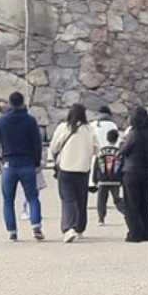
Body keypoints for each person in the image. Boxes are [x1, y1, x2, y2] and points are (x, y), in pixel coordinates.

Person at [0, 91, 45, 242]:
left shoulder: (1, 121)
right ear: (22, 103)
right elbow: (37, 143)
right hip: (27, 163)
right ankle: (36, 225)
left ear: (9, 103)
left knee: (8, 200)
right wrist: (37, 162)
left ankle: (12, 231)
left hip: (9, 164)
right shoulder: (30, 121)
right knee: (32, 197)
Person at [49, 103, 98, 243]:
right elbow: (96, 149)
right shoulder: (89, 129)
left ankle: (69, 228)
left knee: (68, 199)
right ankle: (80, 227)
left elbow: (54, 147)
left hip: (66, 168)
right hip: (83, 169)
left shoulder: (63, 127)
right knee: (82, 200)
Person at [119, 106, 148, 242]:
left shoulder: (134, 133)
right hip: (146, 170)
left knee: (132, 204)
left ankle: (135, 233)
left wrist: (122, 143)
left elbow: (124, 150)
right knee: (146, 203)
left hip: (132, 170)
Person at [93, 127, 124, 225]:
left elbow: (96, 166)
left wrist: (95, 179)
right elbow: (122, 166)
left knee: (101, 200)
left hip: (103, 180)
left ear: (107, 138)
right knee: (117, 199)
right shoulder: (119, 152)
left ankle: (101, 219)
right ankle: (127, 213)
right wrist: (122, 179)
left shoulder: (101, 151)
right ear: (117, 139)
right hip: (115, 180)